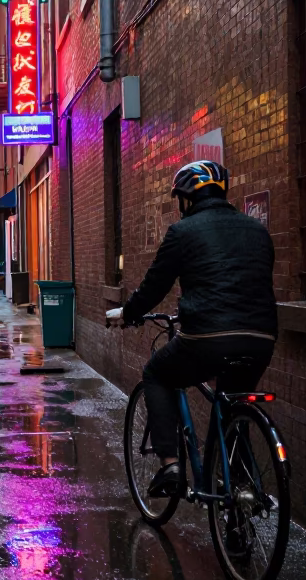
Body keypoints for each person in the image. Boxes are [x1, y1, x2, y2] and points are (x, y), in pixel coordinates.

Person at [119, 161, 278, 499]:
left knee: (157, 374)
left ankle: (171, 467)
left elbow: (154, 286)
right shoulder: (257, 230)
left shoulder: (183, 231)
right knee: (233, 404)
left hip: (207, 337)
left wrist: (130, 313)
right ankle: (238, 498)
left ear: (186, 199)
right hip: (261, 338)